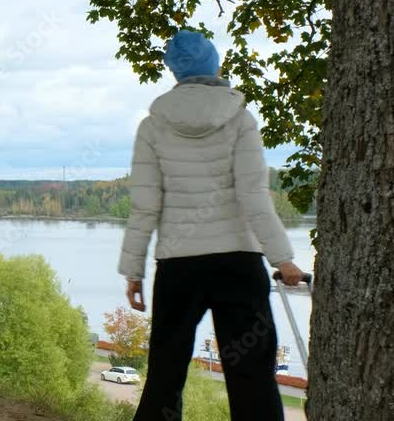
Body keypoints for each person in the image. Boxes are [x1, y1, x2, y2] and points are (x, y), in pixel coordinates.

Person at [118, 29, 305, 421]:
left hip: (178, 267)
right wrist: (283, 259)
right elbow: (254, 197)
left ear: (175, 71)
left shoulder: (152, 126)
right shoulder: (240, 119)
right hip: (238, 264)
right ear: (215, 64)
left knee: (165, 375)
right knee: (252, 378)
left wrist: (133, 272)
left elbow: (145, 206)